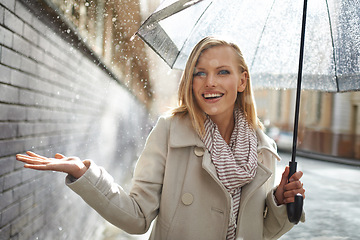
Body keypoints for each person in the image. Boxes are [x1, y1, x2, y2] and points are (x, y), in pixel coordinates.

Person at [16, 36, 305, 240]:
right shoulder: (170, 131)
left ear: (242, 81)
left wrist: (280, 201)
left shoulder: (262, 149)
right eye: (199, 73)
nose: (210, 82)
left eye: (223, 72)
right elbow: (138, 217)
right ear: (190, 81)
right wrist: (86, 175)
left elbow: (262, 232)